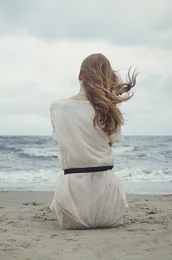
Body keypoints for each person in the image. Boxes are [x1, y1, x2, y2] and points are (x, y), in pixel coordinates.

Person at [49, 53, 138, 229]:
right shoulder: (109, 110)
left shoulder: (57, 107)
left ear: (80, 75)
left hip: (72, 200)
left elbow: (62, 142)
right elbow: (108, 144)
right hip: (108, 205)